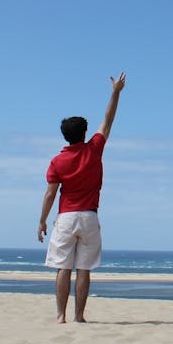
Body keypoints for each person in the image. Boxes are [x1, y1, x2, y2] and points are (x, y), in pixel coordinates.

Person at [37, 72, 126, 324]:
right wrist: (115, 92)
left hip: (65, 216)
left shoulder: (57, 160)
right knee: (83, 269)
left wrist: (42, 220)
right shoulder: (94, 149)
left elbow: (50, 193)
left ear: (64, 135)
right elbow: (108, 120)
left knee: (63, 267)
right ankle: (79, 315)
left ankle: (61, 315)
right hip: (88, 215)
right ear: (85, 132)